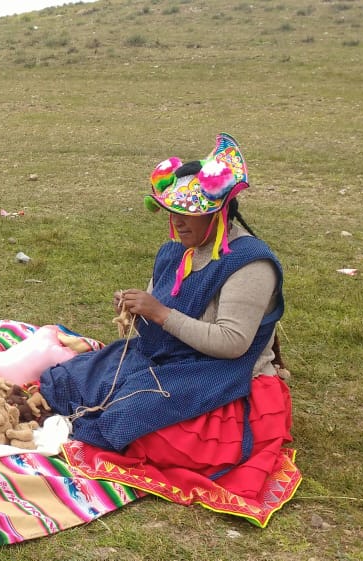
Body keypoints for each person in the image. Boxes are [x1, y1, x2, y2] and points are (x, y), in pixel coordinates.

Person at [39, 133, 291, 490]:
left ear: (219, 212)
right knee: (71, 380)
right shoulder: (178, 249)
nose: (179, 222)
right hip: (173, 356)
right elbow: (160, 308)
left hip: (223, 374)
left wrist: (159, 313)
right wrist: (138, 308)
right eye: (174, 213)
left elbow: (233, 342)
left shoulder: (251, 265)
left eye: (190, 214)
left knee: (135, 424)